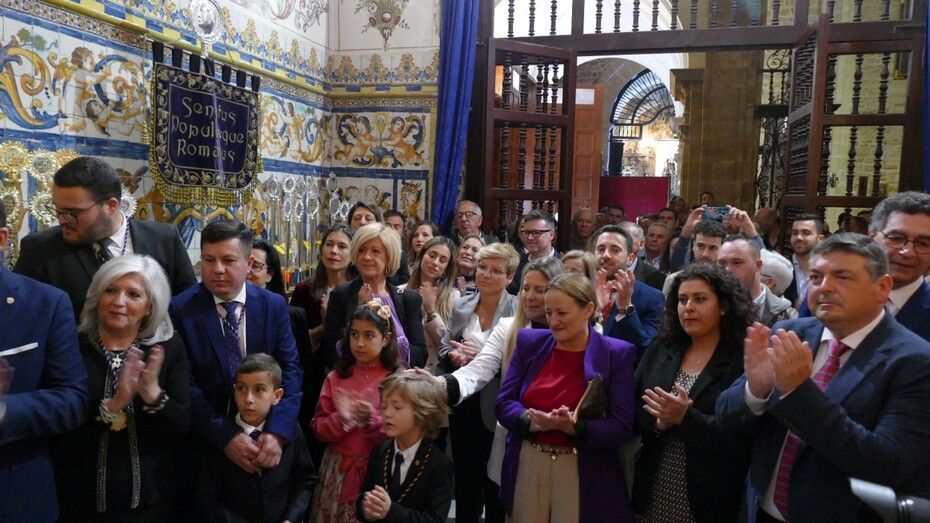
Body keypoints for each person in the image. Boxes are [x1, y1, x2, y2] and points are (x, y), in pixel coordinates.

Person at [716, 233, 930, 522]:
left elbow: (888, 464)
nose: (825, 287)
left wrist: (798, 392)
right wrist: (757, 390)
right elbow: (725, 416)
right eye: (816, 277)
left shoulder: (916, 361)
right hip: (760, 510)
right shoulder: (789, 333)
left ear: (882, 287)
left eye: (842, 277)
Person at [52, 254, 190, 521]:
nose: (118, 301)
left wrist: (153, 395)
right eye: (110, 290)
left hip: (153, 500)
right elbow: (59, 427)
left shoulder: (168, 347)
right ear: (97, 297)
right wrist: (115, 405)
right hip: (79, 499)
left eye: (133, 295)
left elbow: (182, 427)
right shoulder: (73, 346)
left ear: (150, 306)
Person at [496, 272, 636, 523]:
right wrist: (531, 420)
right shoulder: (529, 342)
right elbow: (504, 403)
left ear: (588, 310)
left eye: (562, 313)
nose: (553, 321)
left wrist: (572, 427)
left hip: (582, 467)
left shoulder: (616, 353)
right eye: (548, 312)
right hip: (529, 462)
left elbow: (621, 427)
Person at [171, 220, 303, 475]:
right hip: (206, 444)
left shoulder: (273, 306)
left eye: (228, 260)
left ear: (249, 263)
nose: (217, 269)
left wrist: (277, 431)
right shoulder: (180, 309)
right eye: (209, 260)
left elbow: (290, 370)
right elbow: (184, 383)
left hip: (265, 438)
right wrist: (225, 436)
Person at [633, 263, 754, 522]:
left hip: (709, 494)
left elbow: (741, 434)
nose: (688, 307)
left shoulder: (743, 360)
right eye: (682, 300)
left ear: (723, 306)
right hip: (653, 482)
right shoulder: (661, 349)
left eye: (700, 299)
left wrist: (685, 419)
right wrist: (659, 423)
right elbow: (634, 408)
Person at [14, 156, 196, 319]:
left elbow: (187, 306)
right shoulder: (40, 249)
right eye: (57, 209)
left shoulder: (165, 239)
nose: (61, 220)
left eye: (73, 213)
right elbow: (24, 317)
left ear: (111, 206)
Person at [0, 200, 87, 523]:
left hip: (13, 494)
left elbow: (73, 401)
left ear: (2, 239)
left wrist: (5, 410)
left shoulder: (45, 304)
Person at [439, 242, 520, 523]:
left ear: (510, 277)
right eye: (483, 267)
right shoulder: (462, 305)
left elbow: (519, 363)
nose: (486, 274)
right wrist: (454, 355)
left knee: (495, 485)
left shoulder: (518, 310)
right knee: (465, 480)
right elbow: (443, 345)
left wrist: (485, 356)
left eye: (496, 270)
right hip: (463, 403)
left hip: (497, 405)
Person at [310, 302, 401, 522]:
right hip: (338, 470)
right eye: (354, 334)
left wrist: (372, 421)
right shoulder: (336, 377)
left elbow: (403, 432)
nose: (359, 343)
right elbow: (317, 428)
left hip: (381, 470)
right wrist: (341, 419)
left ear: (386, 339)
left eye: (369, 336)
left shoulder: (396, 380)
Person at [199, 354, 315, 523]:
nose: (248, 399)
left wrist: (291, 518)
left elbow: (306, 479)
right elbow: (207, 497)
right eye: (241, 388)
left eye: (259, 390)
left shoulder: (291, 431)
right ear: (234, 391)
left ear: (277, 396)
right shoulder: (220, 437)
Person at [322, 222, 427, 368]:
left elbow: (420, 356)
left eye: (375, 251)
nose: (366, 257)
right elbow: (329, 354)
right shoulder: (342, 295)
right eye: (361, 250)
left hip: (397, 380)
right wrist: (359, 310)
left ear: (389, 257)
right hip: (355, 379)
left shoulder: (409, 299)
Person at [290, 225, 354, 461]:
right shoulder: (304, 289)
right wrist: (326, 326)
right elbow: (298, 341)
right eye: (329, 244)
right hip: (313, 374)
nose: (334, 251)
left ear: (352, 254)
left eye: (342, 246)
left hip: (348, 374)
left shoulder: (358, 290)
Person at [357, 372, 454, 522]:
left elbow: (435, 519)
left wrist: (391, 511)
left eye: (397, 407)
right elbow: (364, 497)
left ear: (422, 412)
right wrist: (365, 510)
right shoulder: (380, 451)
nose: (387, 413)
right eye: (384, 406)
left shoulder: (439, 464)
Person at [592, 225, 664, 361]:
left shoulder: (652, 298)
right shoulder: (581, 290)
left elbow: (648, 351)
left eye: (615, 250)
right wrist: (596, 313)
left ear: (630, 258)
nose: (605, 255)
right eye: (601, 249)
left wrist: (625, 309)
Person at [868, 191, 930, 341]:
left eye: (923, 243)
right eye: (896, 238)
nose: (908, 252)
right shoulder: (830, 295)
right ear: (872, 238)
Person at [400, 236, 460, 374]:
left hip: (435, 373)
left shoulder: (453, 296)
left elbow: (447, 344)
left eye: (442, 260)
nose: (435, 262)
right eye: (432, 255)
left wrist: (431, 311)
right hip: (403, 369)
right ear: (421, 256)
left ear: (447, 268)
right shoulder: (400, 291)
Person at [718, 234, 797, 327]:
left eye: (736, 263)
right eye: (722, 263)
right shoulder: (711, 304)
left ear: (758, 265)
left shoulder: (786, 316)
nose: (727, 270)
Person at [508, 209, 560, 294]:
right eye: (526, 232)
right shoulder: (515, 264)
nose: (530, 237)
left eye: (536, 232)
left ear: (551, 234)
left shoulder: (563, 264)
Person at [783, 213, 825, 307]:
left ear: (820, 239)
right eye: (795, 233)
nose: (799, 237)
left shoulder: (828, 270)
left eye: (806, 233)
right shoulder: (781, 266)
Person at [620, 221, 667, 291]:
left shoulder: (656, 277)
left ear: (641, 244)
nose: (619, 244)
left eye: (627, 239)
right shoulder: (603, 269)